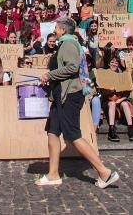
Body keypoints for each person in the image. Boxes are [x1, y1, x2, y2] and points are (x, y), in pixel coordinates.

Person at [36, 16, 119, 189]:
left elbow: (72, 67)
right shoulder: (65, 44)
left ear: (63, 30)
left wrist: (49, 75)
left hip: (70, 95)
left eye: (57, 27)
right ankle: (53, 174)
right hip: (60, 95)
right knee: (52, 131)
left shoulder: (68, 44)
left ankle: (105, 172)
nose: (55, 29)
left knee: (72, 135)